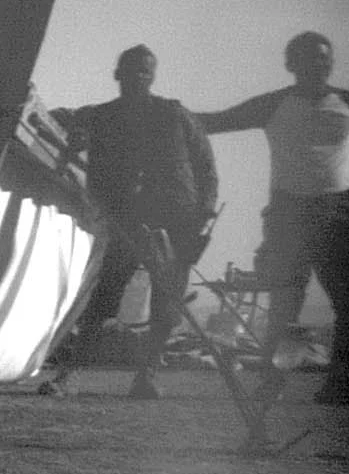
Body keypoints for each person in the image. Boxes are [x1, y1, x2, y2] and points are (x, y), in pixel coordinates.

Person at [194, 33, 349, 408]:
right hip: (289, 214)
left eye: (324, 58)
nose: (319, 65)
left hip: (338, 213)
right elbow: (217, 121)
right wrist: (169, 116)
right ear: (291, 64)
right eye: (309, 58)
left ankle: (342, 381)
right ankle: (273, 381)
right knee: (286, 302)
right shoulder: (274, 104)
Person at [43, 47, 219, 400]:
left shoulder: (175, 114)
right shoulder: (101, 116)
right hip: (128, 221)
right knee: (103, 299)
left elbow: (205, 166)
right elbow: (60, 118)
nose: (138, 76)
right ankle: (69, 375)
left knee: (166, 305)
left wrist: (203, 215)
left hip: (177, 222)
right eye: (131, 69)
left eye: (145, 71)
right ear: (117, 74)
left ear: (153, 76)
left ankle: (146, 377)